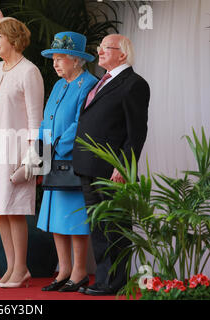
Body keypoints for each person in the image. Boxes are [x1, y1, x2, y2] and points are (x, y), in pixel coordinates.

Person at [73, 34, 150, 295]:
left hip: (111, 170)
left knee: (114, 227)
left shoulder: (134, 84)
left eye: (107, 48)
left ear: (123, 54)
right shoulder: (103, 81)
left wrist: (124, 165)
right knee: (98, 227)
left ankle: (114, 283)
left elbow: (136, 131)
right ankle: (104, 281)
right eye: (100, 47)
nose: (101, 52)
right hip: (88, 165)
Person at [0, 13, 44, 288]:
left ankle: (21, 269)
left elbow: (35, 119)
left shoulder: (29, 71)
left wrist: (32, 158)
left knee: (15, 209)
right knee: (0, 210)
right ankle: (10, 270)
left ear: (14, 39)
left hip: (17, 151)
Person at [37, 32, 98, 292]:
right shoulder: (58, 85)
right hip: (53, 160)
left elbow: (81, 122)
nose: (55, 63)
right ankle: (63, 271)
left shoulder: (89, 83)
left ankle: (79, 271)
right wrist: (41, 148)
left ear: (76, 60)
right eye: (54, 59)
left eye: (60, 58)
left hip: (73, 160)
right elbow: (46, 118)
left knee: (74, 220)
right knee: (55, 220)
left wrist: (57, 146)